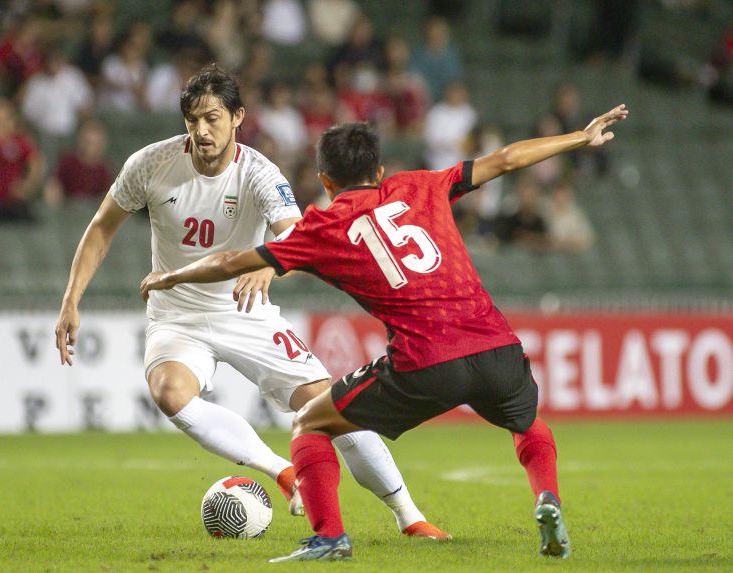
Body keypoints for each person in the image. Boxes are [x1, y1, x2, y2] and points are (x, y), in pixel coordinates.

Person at [140, 104, 629, 561]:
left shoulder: (322, 226)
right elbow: (505, 159)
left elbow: (231, 261)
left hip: (427, 361)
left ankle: (329, 537)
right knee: (528, 425)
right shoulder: (422, 185)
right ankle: (547, 498)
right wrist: (579, 138)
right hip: (496, 346)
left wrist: (171, 276)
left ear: (325, 180)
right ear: (378, 171)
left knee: (311, 422)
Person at [54, 65, 446, 539]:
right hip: (177, 315)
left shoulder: (259, 173)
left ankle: (409, 515)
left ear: (237, 117)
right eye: (193, 119)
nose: (202, 130)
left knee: (330, 407)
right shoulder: (151, 163)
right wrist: (71, 299)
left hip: (246, 311)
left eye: (212, 118)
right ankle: (283, 472)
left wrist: (271, 265)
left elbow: (297, 238)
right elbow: (101, 226)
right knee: (169, 392)